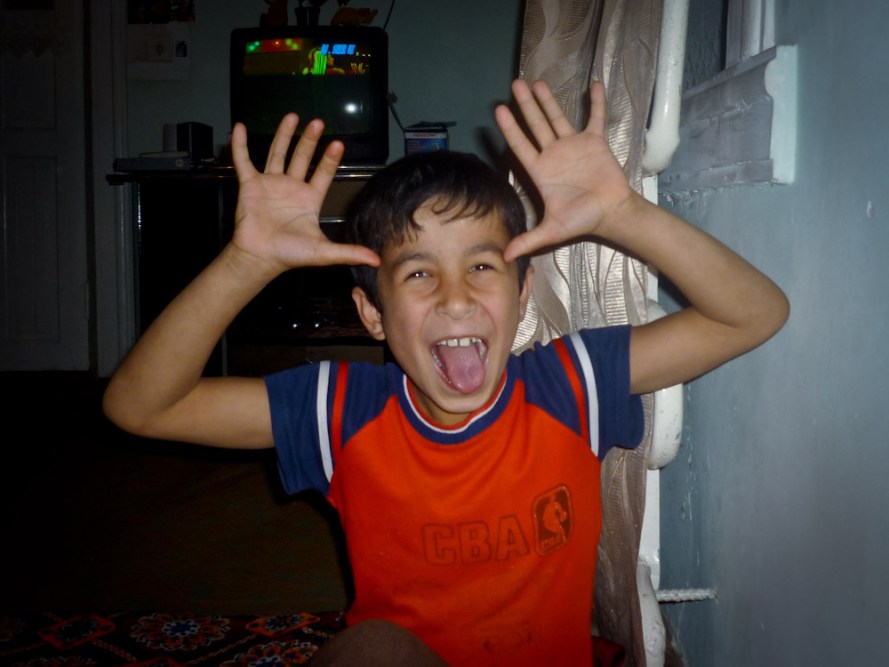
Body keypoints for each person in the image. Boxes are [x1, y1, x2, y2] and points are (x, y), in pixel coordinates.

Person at [103, 79, 789, 665]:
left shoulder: (569, 384)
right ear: (372, 315)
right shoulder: (341, 408)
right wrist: (245, 263)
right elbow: (141, 406)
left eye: (481, 265)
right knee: (369, 649)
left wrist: (623, 214)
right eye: (418, 273)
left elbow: (752, 315)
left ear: (522, 295)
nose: (455, 297)